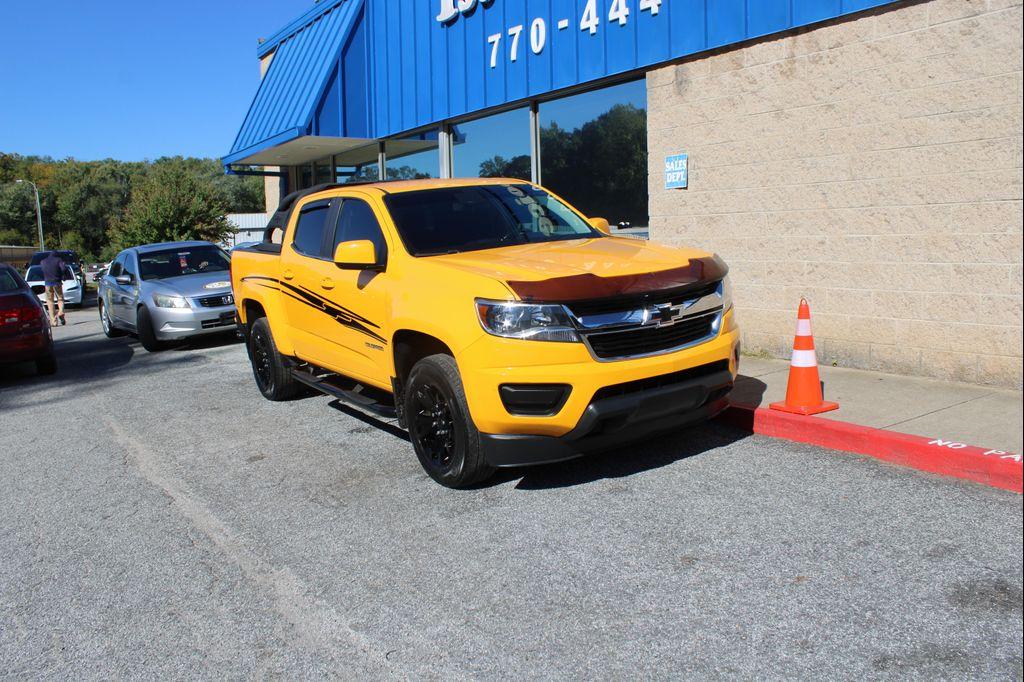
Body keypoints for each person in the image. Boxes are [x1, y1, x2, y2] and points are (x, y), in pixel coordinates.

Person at [39, 251, 66, 326]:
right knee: (60, 298)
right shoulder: (58, 260)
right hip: (57, 282)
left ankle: (54, 321)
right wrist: (62, 275)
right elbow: (63, 268)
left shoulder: (43, 261)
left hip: (47, 283)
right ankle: (60, 312)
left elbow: (42, 270)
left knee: (50, 301)